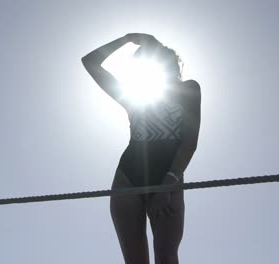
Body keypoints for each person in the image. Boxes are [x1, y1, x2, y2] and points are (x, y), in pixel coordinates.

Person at [81, 33, 201, 264]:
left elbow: (189, 143)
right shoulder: (133, 96)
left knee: (166, 257)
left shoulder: (189, 89)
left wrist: (166, 187)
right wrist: (125, 39)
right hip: (128, 179)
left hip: (168, 179)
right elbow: (90, 62)